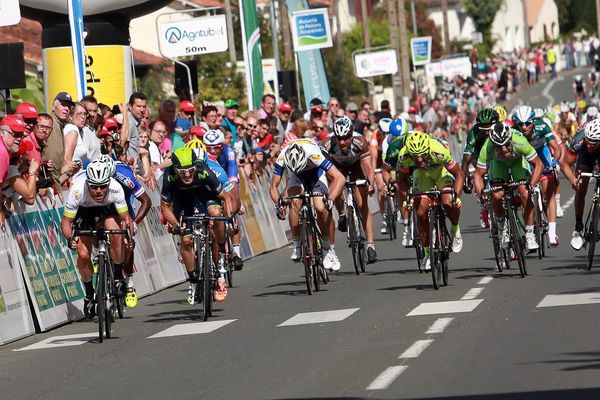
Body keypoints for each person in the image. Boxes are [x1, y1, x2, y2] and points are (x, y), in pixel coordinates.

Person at [160, 147, 237, 304]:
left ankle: (220, 250)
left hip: (204, 194)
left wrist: (228, 217)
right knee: (186, 240)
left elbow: (225, 197)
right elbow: (165, 207)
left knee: (216, 214)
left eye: (190, 170)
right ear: (174, 169)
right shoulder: (168, 176)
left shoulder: (203, 171)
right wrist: (175, 224)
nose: (187, 175)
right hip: (182, 200)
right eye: (182, 172)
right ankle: (193, 280)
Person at [61, 157, 134, 318]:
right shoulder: (77, 191)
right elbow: (66, 222)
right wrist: (69, 237)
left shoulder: (115, 188)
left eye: (103, 186)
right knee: (83, 254)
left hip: (107, 209)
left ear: (109, 183)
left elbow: (125, 218)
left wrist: (128, 234)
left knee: (115, 231)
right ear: (88, 184)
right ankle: (88, 294)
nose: (99, 191)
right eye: (94, 187)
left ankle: (116, 275)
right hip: (83, 210)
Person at [270, 139, 345, 271]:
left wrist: (331, 198)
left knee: (321, 208)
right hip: (295, 174)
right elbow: (273, 187)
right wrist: (278, 205)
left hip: (316, 173)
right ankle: (297, 246)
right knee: (294, 202)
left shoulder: (314, 154)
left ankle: (329, 250)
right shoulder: (282, 157)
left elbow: (339, 177)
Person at [397, 130, 465, 271]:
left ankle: (455, 228)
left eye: (423, 155)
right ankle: (427, 253)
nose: (420, 160)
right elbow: (402, 180)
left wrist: (456, 197)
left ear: (428, 149)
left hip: (441, 171)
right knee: (421, 212)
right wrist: (407, 197)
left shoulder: (438, 151)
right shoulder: (404, 156)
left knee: (447, 202)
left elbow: (459, 174)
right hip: (421, 176)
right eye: (416, 157)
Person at [473, 122, 544, 252]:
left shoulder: (519, 141)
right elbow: (478, 176)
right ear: (493, 144)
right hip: (499, 165)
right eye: (499, 147)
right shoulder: (487, 148)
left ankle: (529, 234)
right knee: (497, 194)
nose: (504, 149)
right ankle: (502, 227)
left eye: (506, 144)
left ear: (511, 139)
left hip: (517, 162)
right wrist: (481, 194)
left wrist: (532, 185)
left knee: (525, 192)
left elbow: (539, 165)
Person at [321, 116, 378, 264]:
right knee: (335, 189)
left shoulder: (360, 142)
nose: (342, 142)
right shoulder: (327, 144)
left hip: (356, 166)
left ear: (351, 136)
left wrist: (370, 184)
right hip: (337, 167)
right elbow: (325, 171)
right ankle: (342, 214)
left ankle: (370, 246)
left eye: (345, 138)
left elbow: (368, 168)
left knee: (361, 203)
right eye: (339, 138)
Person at [513, 105, 562, 246]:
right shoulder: (514, 131)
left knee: (548, 193)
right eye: (520, 124)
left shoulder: (542, 126)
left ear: (533, 121)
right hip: (525, 157)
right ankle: (530, 224)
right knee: (524, 192)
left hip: (542, 154)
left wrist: (554, 162)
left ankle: (552, 232)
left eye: (528, 123)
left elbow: (556, 148)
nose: (524, 127)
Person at [202, 129, 244, 270]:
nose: (213, 151)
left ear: (222, 145)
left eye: (217, 147)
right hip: (212, 184)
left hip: (227, 178)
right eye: (209, 148)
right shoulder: (203, 157)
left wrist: (236, 203)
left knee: (233, 211)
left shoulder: (228, 153)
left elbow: (233, 181)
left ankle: (236, 253)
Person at [560, 118, 600, 250]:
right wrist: (573, 180)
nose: (589, 145)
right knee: (581, 187)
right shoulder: (580, 140)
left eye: (593, 144)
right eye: (588, 142)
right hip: (585, 158)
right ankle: (578, 227)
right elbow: (565, 164)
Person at [63, 102, 102, 169]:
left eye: (84, 114)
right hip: (73, 176)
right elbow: (67, 159)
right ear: (70, 116)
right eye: (79, 114)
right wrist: (69, 178)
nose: (83, 117)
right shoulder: (72, 129)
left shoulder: (81, 130)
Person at [46, 92, 75, 179]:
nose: (66, 109)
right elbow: (50, 157)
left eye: (69, 107)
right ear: (54, 107)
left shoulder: (59, 124)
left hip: (54, 179)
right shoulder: (50, 123)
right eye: (63, 105)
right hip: (47, 178)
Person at [124, 92, 148, 161]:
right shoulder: (129, 122)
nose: (142, 110)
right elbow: (123, 145)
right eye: (138, 106)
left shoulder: (136, 122)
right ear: (130, 107)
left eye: (144, 107)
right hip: (129, 166)